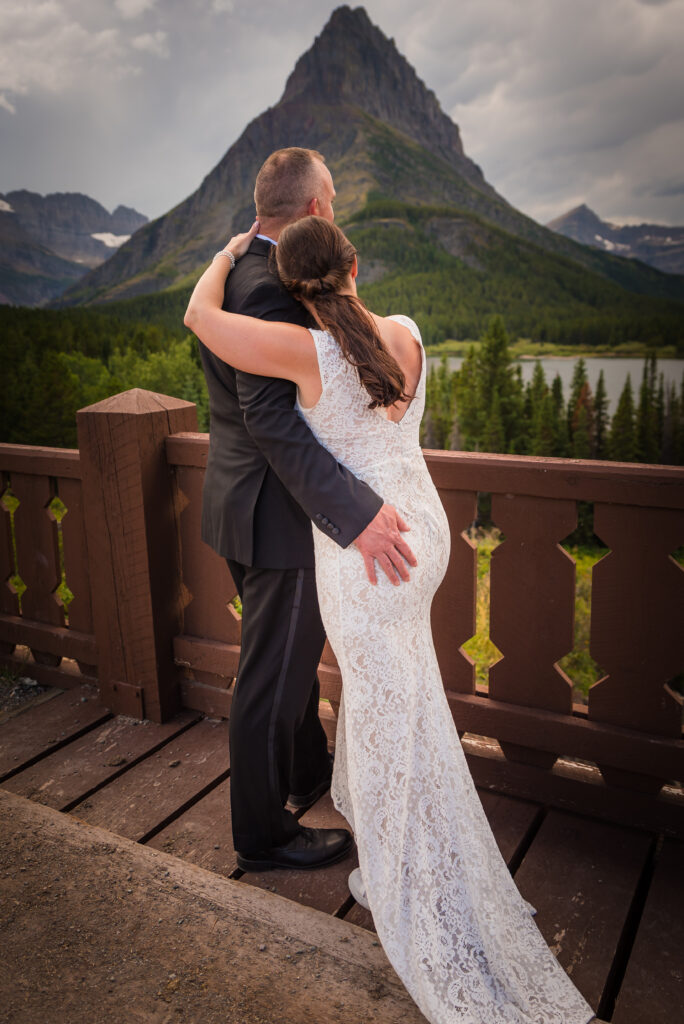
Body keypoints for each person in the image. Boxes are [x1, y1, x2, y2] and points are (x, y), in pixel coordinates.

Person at [185, 216, 595, 1024]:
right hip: (425, 534)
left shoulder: (304, 353)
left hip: (368, 551)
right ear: (355, 268)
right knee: (414, 696)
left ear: (297, 293)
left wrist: (230, 253)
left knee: (376, 708)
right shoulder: (405, 333)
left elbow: (201, 317)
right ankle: (424, 845)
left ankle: (405, 872)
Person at [197, 147, 416, 872]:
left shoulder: (235, 265)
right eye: (336, 199)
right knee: (272, 682)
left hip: (239, 503)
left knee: (280, 667)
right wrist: (354, 514)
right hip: (279, 518)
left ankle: (304, 775)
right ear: (319, 208)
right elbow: (272, 420)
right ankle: (264, 836)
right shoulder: (268, 286)